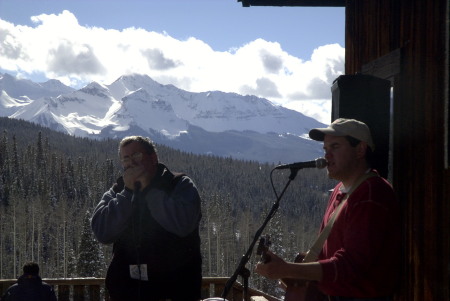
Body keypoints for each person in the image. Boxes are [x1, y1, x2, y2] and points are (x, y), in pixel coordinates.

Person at [255, 118, 401, 301]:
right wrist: (294, 272)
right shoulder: (342, 190)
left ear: (360, 149)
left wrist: (288, 269)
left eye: (335, 147)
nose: (327, 155)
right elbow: (329, 257)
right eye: (325, 149)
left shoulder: (371, 194)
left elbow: (351, 266)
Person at [91, 136, 202, 301]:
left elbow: (183, 224)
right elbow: (102, 232)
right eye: (126, 158)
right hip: (126, 292)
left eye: (136, 156)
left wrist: (149, 190)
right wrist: (127, 194)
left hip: (174, 292)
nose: (131, 163)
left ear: (153, 158)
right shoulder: (118, 191)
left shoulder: (179, 185)